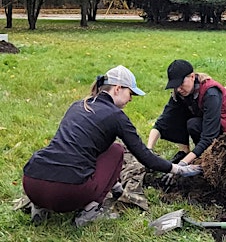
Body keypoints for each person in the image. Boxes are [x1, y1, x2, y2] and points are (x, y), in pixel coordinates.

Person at [22, 65, 201, 227]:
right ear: (117, 89)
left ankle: (40, 207)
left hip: (32, 183)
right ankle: (90, 212)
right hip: (68, 193)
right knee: (116, 150)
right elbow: (145, 157)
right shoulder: (117, 116)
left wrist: (114, 185)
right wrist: (179, 169)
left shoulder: (77, 106)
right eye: (131, 93)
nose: (131, 99)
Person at [147, 59, 226, 166]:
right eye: (175, 86)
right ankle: (185, 152)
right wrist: (148, 151)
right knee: (176, 113)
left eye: (181, 84)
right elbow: (163, 121)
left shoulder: (211, 93)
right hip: (210, 126)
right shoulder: (181, 93)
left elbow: (209, 136)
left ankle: (208, 156)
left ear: (192, 77)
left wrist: (183, 164)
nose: (178, 89)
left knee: (193, 124)